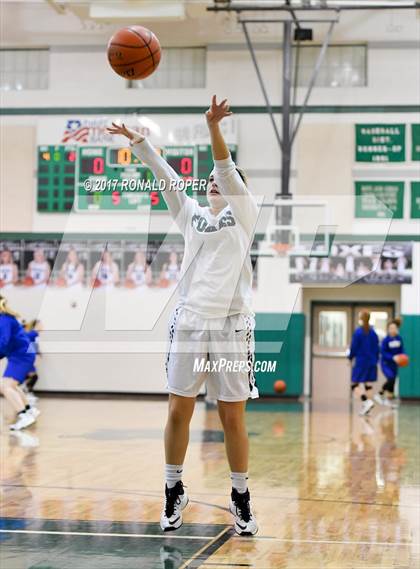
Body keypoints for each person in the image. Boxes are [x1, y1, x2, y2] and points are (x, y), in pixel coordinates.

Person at [107, 95, 259, 536]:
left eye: (221, 180)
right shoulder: (191, 215)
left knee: (232, 417)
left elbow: (225, 168)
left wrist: (213, 127)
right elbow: (168, 178)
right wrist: (141, 145)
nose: (213, 182)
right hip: (191, 321)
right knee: (178, 410)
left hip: (231, 325)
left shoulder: (245, 214)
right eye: (208, 180)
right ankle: (173, 489)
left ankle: (240, 496)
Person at [0, 295, 40, 430]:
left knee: (6, 386)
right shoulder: (5, 318)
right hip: (20, 355)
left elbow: (3, 342)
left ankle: (24, 416)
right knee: (12, 385)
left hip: (21, 355)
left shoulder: (4, 319)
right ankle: (29, 410)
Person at [348, 310, 379, 416]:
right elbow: (377, 349)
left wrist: (350, 358)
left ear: (361, 318)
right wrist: (375, 360)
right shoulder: (373, 333)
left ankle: (366, 402)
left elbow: (353, 347)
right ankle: (368, 408)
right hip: (372, 362)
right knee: (368, 385)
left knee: (354, 385)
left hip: (361, 362)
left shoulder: (358, 332)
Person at [375, 318, 405, 408]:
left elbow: (402, 350)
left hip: (394, 365)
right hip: (386, 363)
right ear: (388, 329)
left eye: (394, 328)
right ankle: (379, 394)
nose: (392, 330)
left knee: (393, 381)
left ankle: (389, 400)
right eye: (391, 328)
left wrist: (403, 357)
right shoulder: (386, 340)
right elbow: (383, 352)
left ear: (397, 329)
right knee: (391, 378)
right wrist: (392, 357)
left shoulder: (399, 339)